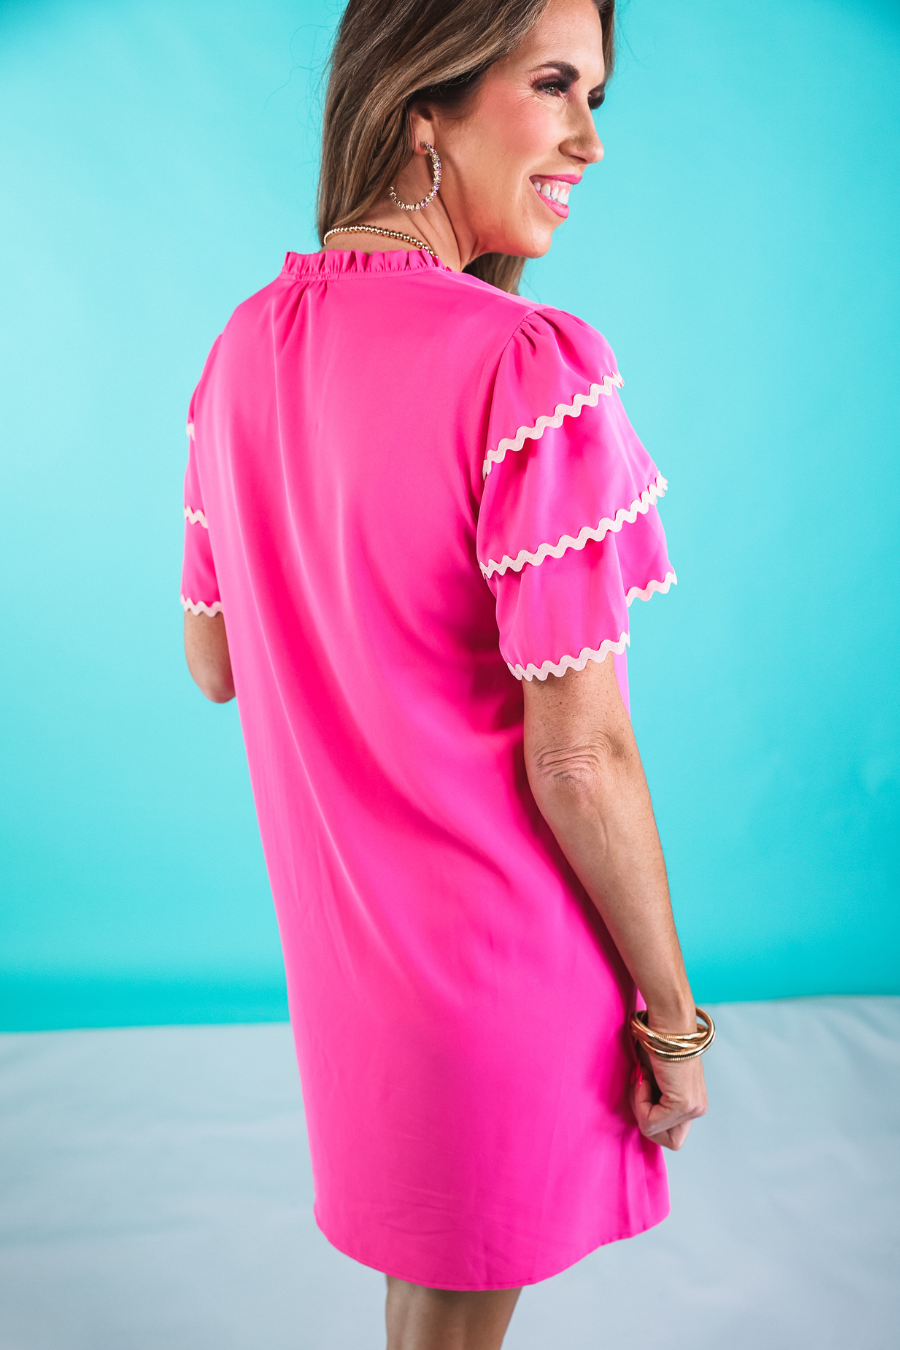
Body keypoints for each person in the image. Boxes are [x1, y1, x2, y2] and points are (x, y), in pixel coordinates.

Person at [180, 0, 710, 1345]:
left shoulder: (239, 352)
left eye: (595, 95)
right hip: (502, 968)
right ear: (427, 102)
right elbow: (580, 753)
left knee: (429, 1304)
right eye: (554, 85)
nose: (589, 139)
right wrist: (673, 1017)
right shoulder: (526, 364)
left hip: (356, 981)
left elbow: (216, 660)